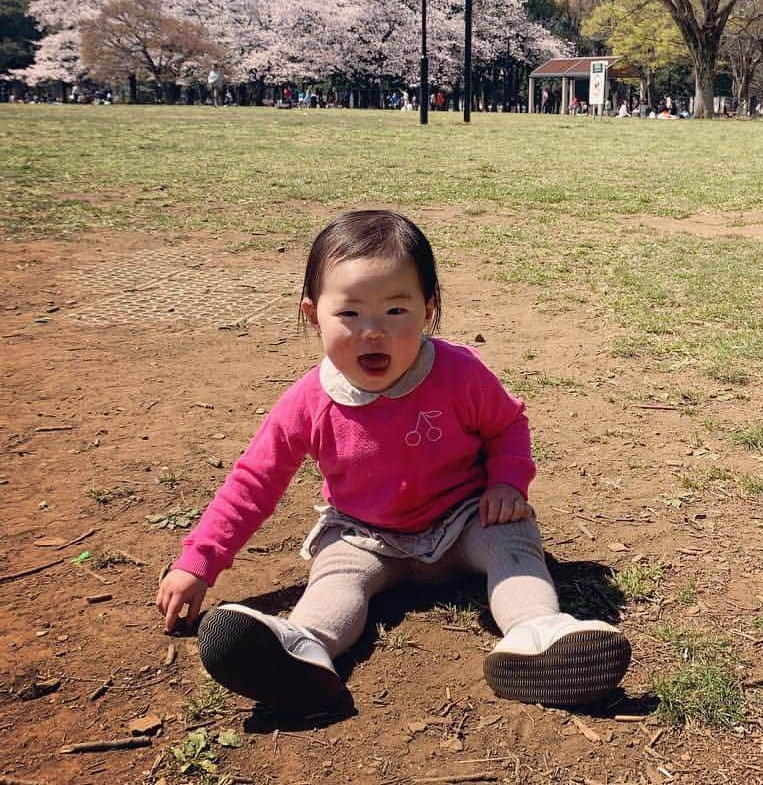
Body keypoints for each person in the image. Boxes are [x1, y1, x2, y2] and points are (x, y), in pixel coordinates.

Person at [156, 211, 631, 715]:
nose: (373, 332)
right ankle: (302, 647)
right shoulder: (308, 401)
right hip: (364, 535)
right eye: (350, 314)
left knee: (512, 545)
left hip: (465, 520)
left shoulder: (459, 373)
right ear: (313, 313)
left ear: (428, 311)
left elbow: (507, 425)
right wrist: (199, 562)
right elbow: (254, 481)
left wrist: (507, 484)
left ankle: (539, 633)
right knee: (336, 580)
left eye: (396, 311)